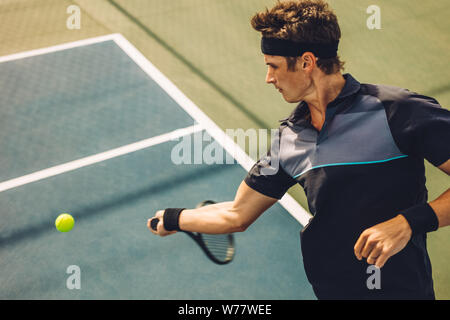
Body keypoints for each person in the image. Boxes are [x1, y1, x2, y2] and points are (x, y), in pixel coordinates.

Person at [148, 0, 450, 300]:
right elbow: (236, 213)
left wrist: (409, 222)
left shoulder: (396, 111)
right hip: (332, 291)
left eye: (273, 66)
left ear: (307, 62)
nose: (269, 78)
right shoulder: (289, 139)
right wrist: (175, 218)